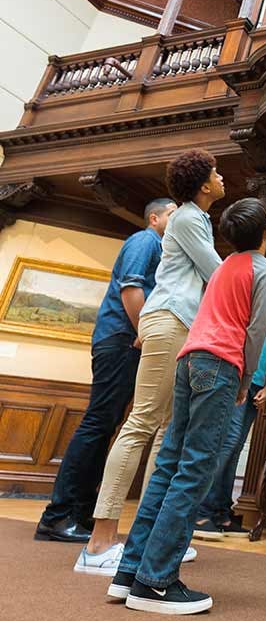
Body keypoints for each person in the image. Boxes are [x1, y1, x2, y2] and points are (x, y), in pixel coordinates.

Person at [107, 197, 266, 615]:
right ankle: (156, 582)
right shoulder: (265, 270)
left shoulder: (224, 268)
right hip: (220, 364)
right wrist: (245, 379)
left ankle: (129, 573)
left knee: (169, 465)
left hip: (188, 358)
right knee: (195, 469)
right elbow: (255, 332)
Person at [75, 149, 224, 574]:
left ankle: (152, 540)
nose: (222, 177)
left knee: (167, 432)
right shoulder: (190, 216)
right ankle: (99, 543)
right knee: (141, 423)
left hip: (182, 324)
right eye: (216, 173)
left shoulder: (197, 218)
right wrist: (255, 270)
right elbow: (215, 273)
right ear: (202, 184)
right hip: (171, 320)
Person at [34, 199, 176, 544]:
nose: (178, 218)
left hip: (127, 341)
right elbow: (131, 288)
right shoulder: (146, 241)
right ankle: (58, 516)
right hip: (122, 340)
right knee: (98, 423)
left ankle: (79, 513)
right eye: (172, 213)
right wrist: (145, 333)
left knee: (105, 425)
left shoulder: (162, 249)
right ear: (154, 218)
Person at [192, 259, 266, 540]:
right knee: (226, 443)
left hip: (256, 387)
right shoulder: (248, 307)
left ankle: (222, 511)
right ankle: (202, 511)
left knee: (235, 448)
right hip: (235, 381)